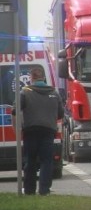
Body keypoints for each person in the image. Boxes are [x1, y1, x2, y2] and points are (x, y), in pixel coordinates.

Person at [17, 65, 64, 196]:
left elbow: (16, 109)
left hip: (30, 130)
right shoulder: (54, 93)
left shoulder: (25, 92)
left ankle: (29, 190)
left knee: (30, 160)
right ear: (44, 77)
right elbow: (60, 113)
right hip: (48, 130)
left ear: (31, 78)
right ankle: (44, 190)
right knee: (46, 161)